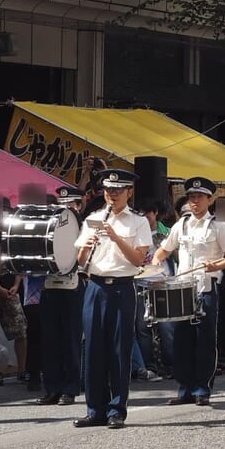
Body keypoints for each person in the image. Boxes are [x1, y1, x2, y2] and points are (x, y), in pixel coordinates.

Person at [72, 169, 153, 430]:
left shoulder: (137, 222)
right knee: (93, 348)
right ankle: (94, 408)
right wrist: (86, 246)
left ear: (129, 192)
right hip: (94, 286)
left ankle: (117, 409)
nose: (112, 195)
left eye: (118, 191)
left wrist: (116, 237)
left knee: (119, 349)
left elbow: (138, 260)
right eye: (108, 191)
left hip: (121, 287)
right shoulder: (93, 218)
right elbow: (80, 261)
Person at [151, 176, 225, 408]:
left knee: (205, 340)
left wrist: (217, 265)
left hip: (206, 287)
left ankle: (202, 387)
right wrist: (156, 266)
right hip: (183, 288)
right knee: (181, 341)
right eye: (191, 197)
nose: (195, 201)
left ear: (209, 200)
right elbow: (164, 249)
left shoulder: (219, 225)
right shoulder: (182, 224)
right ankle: (184, 388)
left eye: (199, 197)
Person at [36, 185, 85, 407]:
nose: (65, 208)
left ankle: (70, 388)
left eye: (71, 204)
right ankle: (52, 388)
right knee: (49, 340)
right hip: (49, 286)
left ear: (79, 205)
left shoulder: (86, 228)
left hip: (74, 287)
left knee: (71, 340)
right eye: (62, 204)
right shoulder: (48, 226)